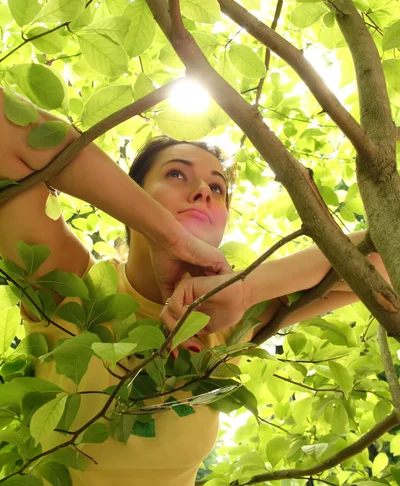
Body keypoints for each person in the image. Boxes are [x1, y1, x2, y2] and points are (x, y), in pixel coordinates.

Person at [0, 89, 389, 486]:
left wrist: (247, 290)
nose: (203, 190)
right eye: (175, 174)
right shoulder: (71, 287)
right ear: (131, 195)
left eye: (217, 188)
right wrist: (169, 237)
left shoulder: (233, 325)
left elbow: (389, 254)